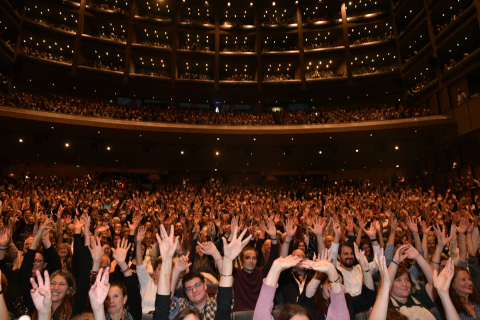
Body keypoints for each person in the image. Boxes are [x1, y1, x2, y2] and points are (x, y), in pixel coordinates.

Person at [233, 219, 279, 311]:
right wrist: (232, 234)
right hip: (242, 315)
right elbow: (227, 260)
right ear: (242, 261)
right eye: (247, 258)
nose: (251, 261)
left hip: (260, 313)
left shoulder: (261, 272)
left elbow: (273, 258)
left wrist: (273, 237)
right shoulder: (236, 273)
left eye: (254, 258)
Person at [387, 244, 437, 320]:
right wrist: (395, 261)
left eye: (407, 280)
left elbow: (435, 282)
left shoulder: (419, 297)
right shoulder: (387, 304)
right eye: (398, 280)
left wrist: (418, 257)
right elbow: (385, 284)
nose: (404, 284)